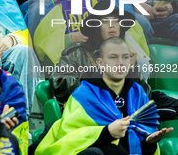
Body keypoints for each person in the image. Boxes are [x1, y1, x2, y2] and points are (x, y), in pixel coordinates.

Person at [36, 37, 173, 155]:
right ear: (100, 63)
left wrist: (148, 143)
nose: (120, 63)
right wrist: (106, 133)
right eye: (113, 57)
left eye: (125, 57)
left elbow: (142, 143)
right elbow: (68, 139)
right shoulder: (84, 94)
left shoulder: (139, 93)